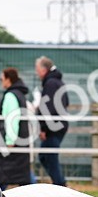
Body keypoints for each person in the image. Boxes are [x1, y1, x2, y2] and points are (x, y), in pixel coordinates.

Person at [0, 68, 33, 189]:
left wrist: (10, 141)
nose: (1, 82)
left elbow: (12, 118)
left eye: (2, 79)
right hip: (17, 141)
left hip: (8, 141)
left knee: (1, 173)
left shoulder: (10, 95)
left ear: (8, 79)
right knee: (22, 175)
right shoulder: (19, 94)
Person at [34, 55, 70, 186]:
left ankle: (61, 185)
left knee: (49, 157)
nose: (36, 72)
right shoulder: (57, 82)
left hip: (53, 127)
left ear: (44, 70)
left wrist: (44, 128)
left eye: (37, 69)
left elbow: (47, 108)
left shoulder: (50, 83)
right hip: (58, 125)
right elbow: (66, 102)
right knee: (45, 156)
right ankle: (59, 183)